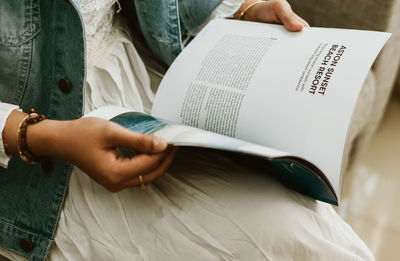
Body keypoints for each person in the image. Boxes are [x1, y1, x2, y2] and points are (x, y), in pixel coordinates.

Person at [0, 0, 373, 260]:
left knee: (311, 241)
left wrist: (243, 11)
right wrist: (39, 136)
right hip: (35, 154)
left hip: (147, 81)